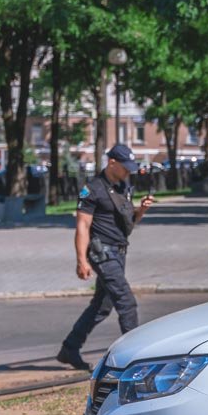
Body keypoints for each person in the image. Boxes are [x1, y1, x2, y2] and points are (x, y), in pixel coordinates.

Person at [57, 145, 155, 370]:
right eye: (125, 167)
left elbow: (128, 223)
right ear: (112, 163)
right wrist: (81, 260)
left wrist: (141, 210)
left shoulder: (123, 186)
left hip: (120, 251)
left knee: (102, 305)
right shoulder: (92, 190)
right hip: (102, 253)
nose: (128, 172)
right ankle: (136, 359)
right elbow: (82, 225)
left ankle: (70, 348)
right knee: (126, 301)